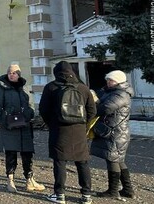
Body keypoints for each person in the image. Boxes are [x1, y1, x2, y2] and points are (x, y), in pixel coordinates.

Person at [39, 61, 97, 204]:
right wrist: (83, 124)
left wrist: (52, 123)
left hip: (59, 130)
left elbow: (43, 110)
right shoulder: (83, 88)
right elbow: (92, 110)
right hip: (79, 130)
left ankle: (60, 194)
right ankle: (86, 195)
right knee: (82, 162)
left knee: (60, 162)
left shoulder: (51, 87)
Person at [0, 64, 45, 193]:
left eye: (14, 73)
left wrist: (30, 113)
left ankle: (29, 180)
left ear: (19, 74)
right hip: (8, 125)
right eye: (10, 72)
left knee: (27, 153)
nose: (11, 74)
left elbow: (30, 104)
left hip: (24, 125)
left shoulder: (24, 87)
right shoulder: (2, 88)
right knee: (11, 152)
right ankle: (10, 180)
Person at [90, 70, 135, 199]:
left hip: (116, 133)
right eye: (108, 80)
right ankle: (128, 189)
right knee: (118, 160)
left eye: (112, 80)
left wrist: (94, 102)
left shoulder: (121, 94)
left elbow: (105, 108)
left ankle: (113, 191)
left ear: (119, 81)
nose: (109, 82)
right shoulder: (111, 92)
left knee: (112, 160)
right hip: (115, 131)